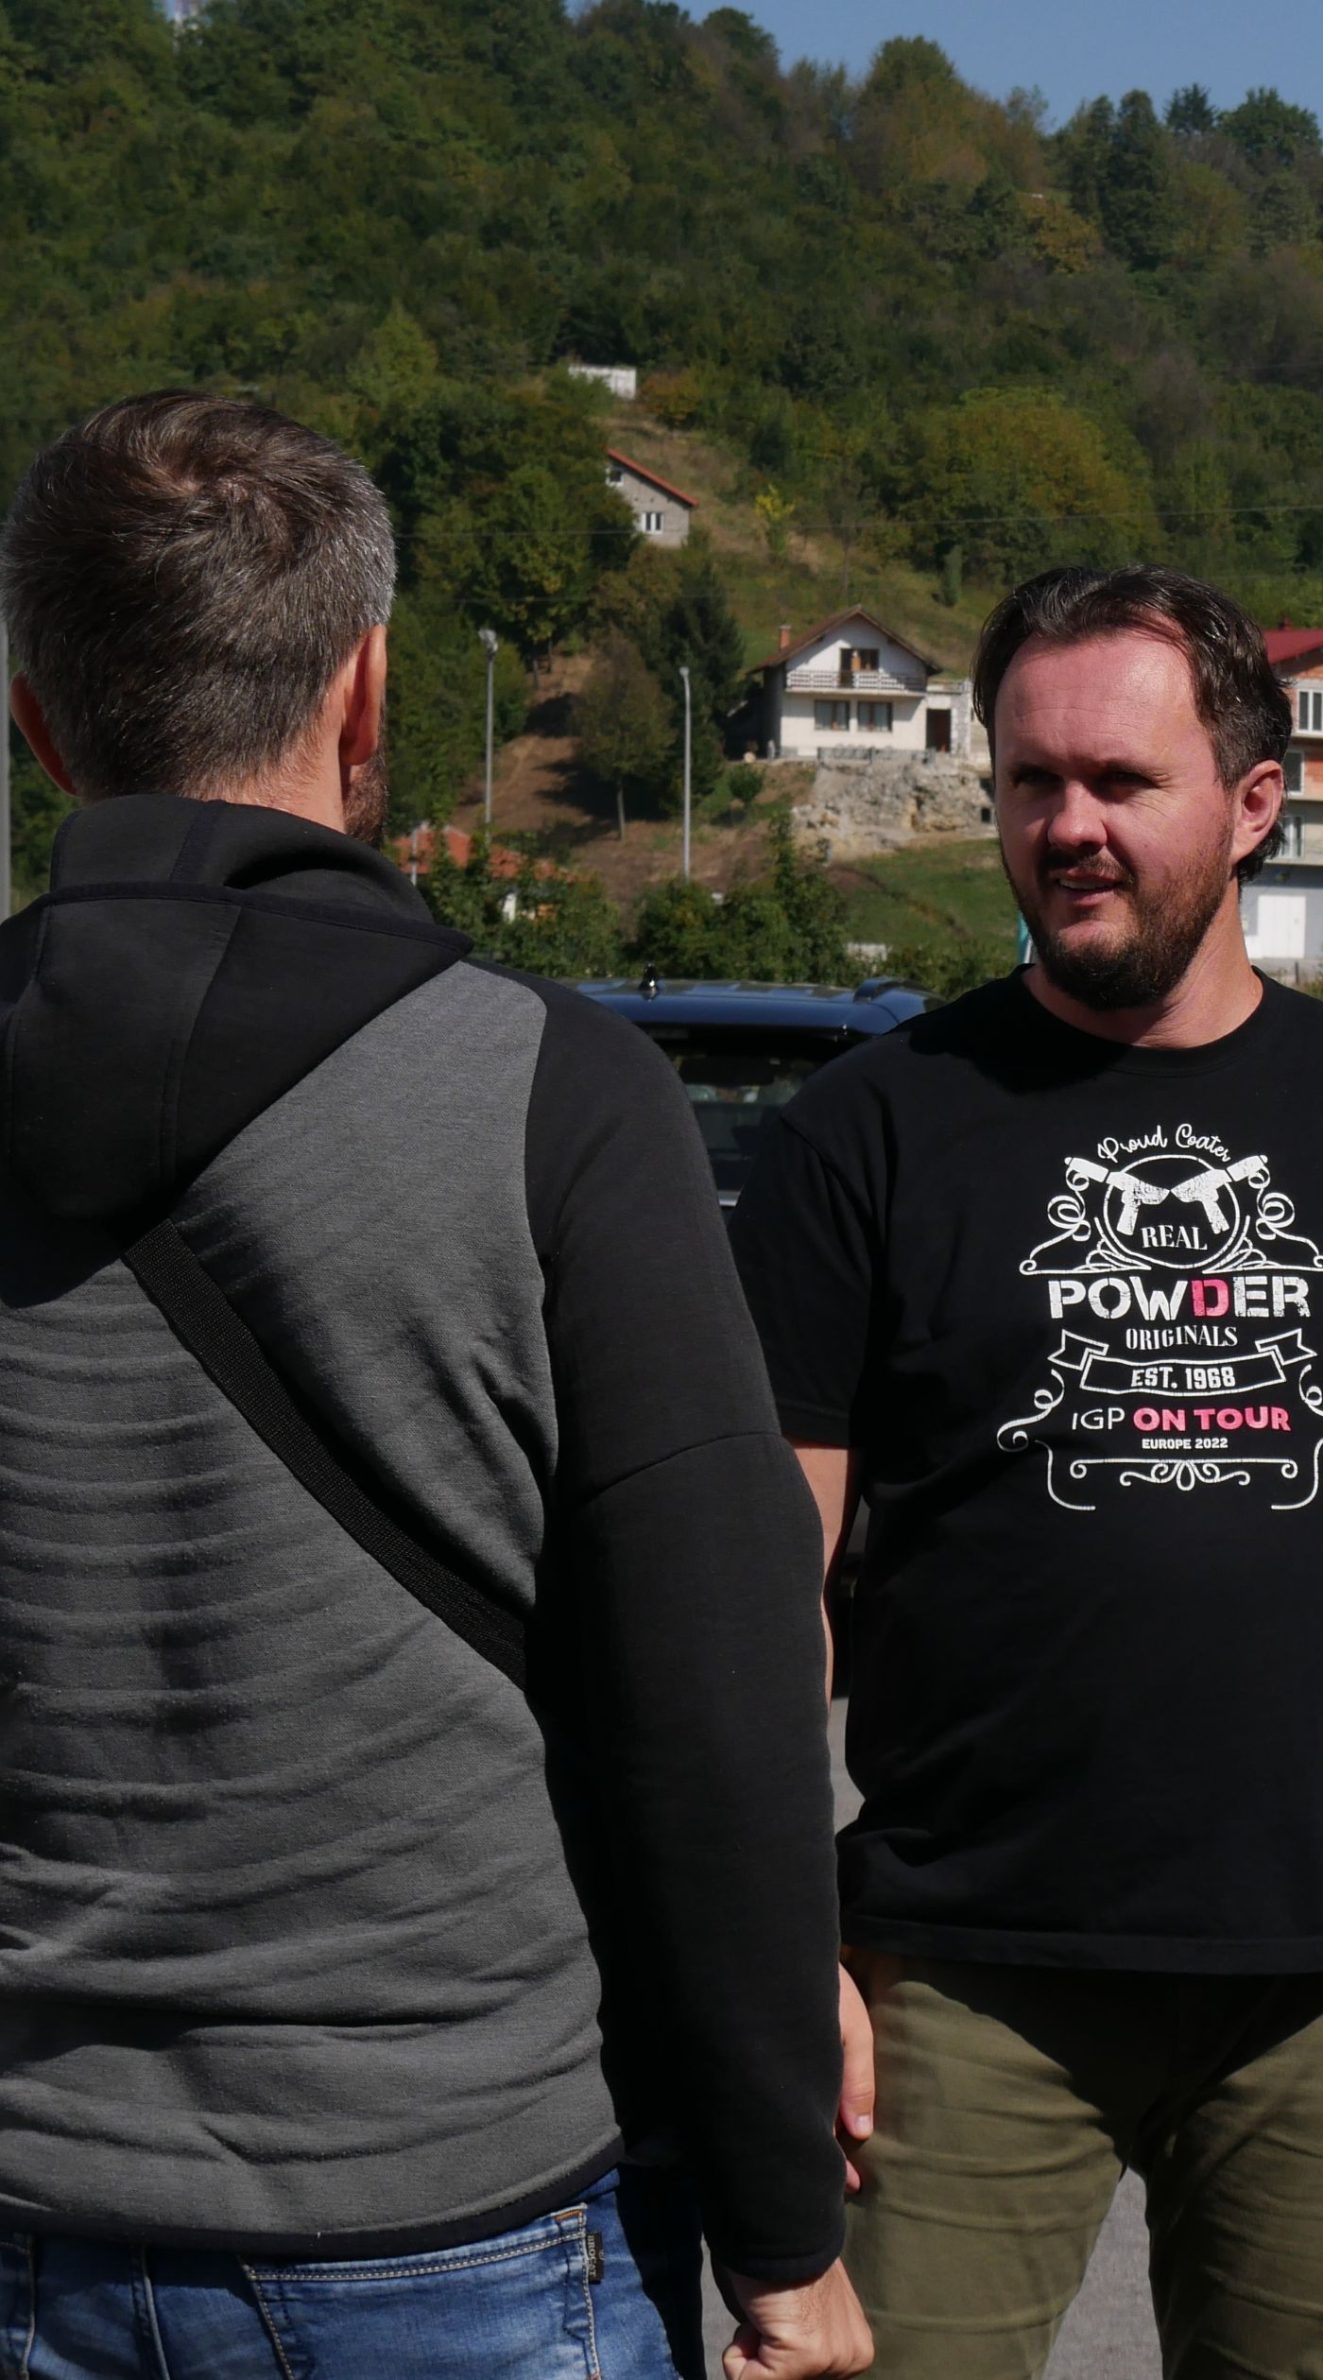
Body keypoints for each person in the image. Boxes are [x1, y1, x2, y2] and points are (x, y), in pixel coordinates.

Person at [0, 393, 868, 2380]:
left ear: (36, 725)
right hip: (453, 2215)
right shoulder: (551, 1094)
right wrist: (783, 2233)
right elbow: (714, 1701)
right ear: (370, 690)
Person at [727, 563, 1323, 2380]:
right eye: (1032, 782)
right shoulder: (870, 1133)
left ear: (1254, 804)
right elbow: (767, 1585)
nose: (1069, 828)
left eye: (1121, 781)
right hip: (958, 1974)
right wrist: (787, 1943)